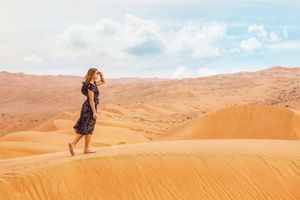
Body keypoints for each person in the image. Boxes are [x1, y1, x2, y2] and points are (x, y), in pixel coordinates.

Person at [68, 67, 105, 156]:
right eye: (96, 73)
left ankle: (74, 144)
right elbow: (91, 100)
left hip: (87, 108)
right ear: (92, 74)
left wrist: (101, 75)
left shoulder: (92, 84)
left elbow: (103, 82)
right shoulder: (91, 86)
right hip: (89, 109)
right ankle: (86, 148)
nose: (97, 75)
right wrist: (94, 112)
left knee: (86, 128)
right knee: (89, 128)